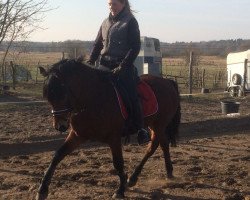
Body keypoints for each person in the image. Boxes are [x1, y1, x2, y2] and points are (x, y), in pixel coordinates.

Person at [87, 0, 151, 145]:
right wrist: (91, 61)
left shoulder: (130, 22)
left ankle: (141, 129)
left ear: (123, 4)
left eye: (114, 4)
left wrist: (123, 66)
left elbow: (135, 47)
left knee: (131, 94)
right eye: (109, 4)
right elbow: (97, 44)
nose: (111, 7)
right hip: (104, 65)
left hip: (123, 67)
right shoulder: (105, 22)